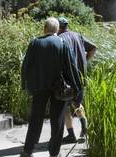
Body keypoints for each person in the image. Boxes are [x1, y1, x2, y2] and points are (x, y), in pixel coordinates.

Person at [20, 17, 82, 157]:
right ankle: (54, 153)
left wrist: (25, 84)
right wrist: (77, 86)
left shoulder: (35, 43)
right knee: (57, 120)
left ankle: (27, 150)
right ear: (57, 29)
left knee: (36, 118)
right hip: (59, 88)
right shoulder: (62, 43)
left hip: (39, 86)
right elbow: (71, 67)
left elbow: (26, 65)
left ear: (44, 28)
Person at [58, 17, 97, 143]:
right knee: (77, 103)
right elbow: (93, 48)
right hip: (81, 76)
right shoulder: (78, 36)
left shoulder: (60, 39)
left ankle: (71, 135)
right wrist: (85, 60)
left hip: (68, 77)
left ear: (58, 28)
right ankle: (84, 126)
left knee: (64, 107)